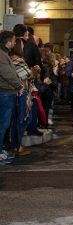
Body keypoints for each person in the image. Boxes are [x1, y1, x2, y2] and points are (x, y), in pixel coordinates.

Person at [0, 31, 22, 165]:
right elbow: (7, 74)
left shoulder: (4, 54)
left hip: (7, 92)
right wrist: (18, 85)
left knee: (4, 124)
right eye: (13, 41)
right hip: (5, 93)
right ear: (8, 42)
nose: (15, 43)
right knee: (3, 124)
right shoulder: (1, 55)